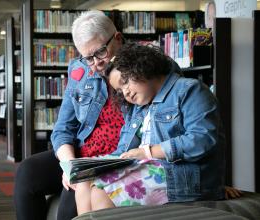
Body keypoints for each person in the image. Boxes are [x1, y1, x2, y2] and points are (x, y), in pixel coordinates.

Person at [74, 42, 227, 214]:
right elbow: (124, 151)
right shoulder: (139, 109)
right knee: (84, 182)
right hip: (148, 170)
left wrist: (149, 152)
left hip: (184, 178)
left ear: (142, 67)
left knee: (101, 193)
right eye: (119, 90)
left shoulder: (189, 90)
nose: (126, 93)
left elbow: (202, 140)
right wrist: (87, 167)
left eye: (125, 82)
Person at [14, 10, 125, 220]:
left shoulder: (142, 69)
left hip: (112, 159)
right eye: (88, 57)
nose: (96, 64)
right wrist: (70, 165)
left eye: (100, 52)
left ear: (117, 39)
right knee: (27, 172)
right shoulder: (80, 70)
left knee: (68, 206)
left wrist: (80, 170)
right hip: (81, 154)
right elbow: (63, 128)